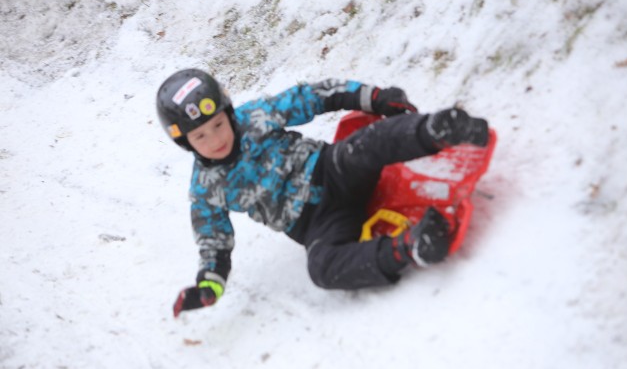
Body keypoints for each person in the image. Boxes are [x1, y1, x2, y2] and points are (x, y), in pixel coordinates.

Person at [156, 69, 489, 317]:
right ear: (186, 143)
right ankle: (411, 246)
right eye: (200, 136)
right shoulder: (205, 190)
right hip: (318, 223)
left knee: (364, 145)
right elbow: (214, 244)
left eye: (218, 124)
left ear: (228, 113)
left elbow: (313, 96)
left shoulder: (254, 117)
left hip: (330, 171)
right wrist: (208, 287)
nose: (215, 139)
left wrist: (373, 97)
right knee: (321, 269)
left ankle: (437, 130)